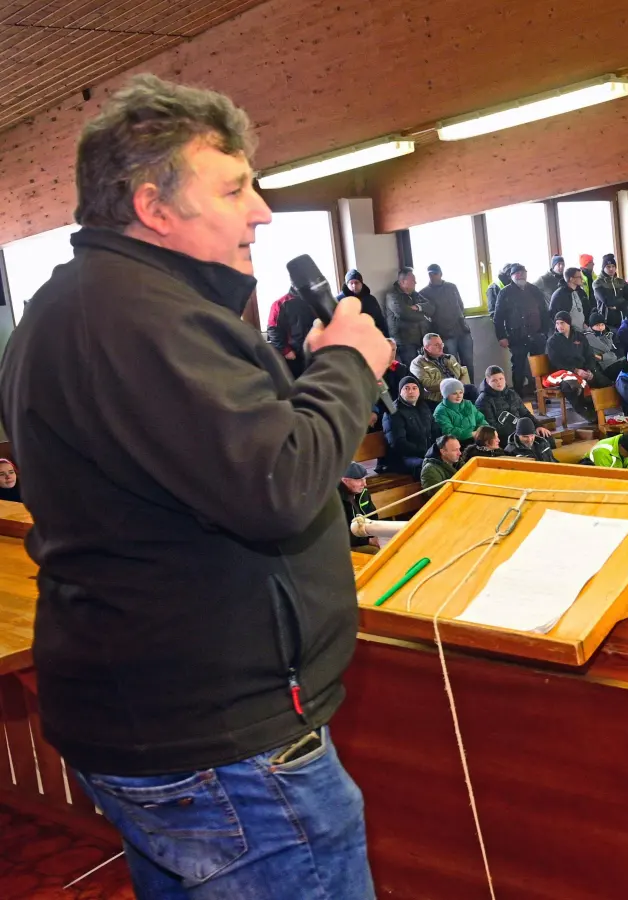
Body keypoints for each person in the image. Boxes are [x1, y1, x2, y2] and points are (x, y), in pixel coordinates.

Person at [0, 73, 401, 897]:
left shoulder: (76, 305)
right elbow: (277, 482)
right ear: (154, 207)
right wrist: (346, 365)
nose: (259, 210)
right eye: (234, 188)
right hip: (226, 743)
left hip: (157, 714)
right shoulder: (145, 319)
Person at [493, 263, 548, 395]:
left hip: (537, 335)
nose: (520, 275)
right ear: (511, 276)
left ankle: (541, 394)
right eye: (517, 273)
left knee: (539, 367)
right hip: (516, 336)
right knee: (518, 366)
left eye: (523, 273)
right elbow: (498, 316)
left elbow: (544, 312)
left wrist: (544, 332)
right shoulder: (505, 292)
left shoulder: (534, 290)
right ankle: (518, 395)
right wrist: (501, 336)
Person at [420, 263, 472, 377]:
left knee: (468, 363)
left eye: (435, 273)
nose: (433, 276)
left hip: (462, 330)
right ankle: (457, 392)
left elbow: (461, 305)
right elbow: (427, 314)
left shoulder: (451, 287)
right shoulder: (424, 293)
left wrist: (461, 320)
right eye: (430, 274)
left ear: (441, 274)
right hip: (445, 334)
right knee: (451, 365)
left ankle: (471, 390)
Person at [385, 265, 433, 367]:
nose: (415, 283)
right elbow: (404, 314)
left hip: (419, 338)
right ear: (403, 282)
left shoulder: (414, 294)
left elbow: (431, 307)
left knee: (424, 369)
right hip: (405, 341)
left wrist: (418, 307)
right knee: (412, 370)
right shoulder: (393, 296)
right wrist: (424, 316)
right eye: (413, 280)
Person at [410, 332, 469, 405]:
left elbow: (463, 372)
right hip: (438, 397)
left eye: (442, 344)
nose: (441, 347)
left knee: (471, 390)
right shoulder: (418, 363)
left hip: (458, 392)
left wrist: (460, 386)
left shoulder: (450, 357)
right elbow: (426, 384)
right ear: (427, 347)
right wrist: (451, 384)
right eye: (437, 345)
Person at [475, 365, 525, 441]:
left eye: (501, 379)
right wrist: (518, 429)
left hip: (521, 432)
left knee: (546, 437)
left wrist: (538, 426)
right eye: (494, 380)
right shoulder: (483, 400)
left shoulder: (512, 393)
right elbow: (491, 428)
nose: (499, 382)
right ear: (488, 381)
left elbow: (525, 413)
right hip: (502, 438)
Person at [434, 377, 489, 441]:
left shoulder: (468, 404)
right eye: (454, 393)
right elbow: (449, 431)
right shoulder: (441, 411)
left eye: (461, 392)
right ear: (446, 395)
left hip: (477, 439)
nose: (459, 396)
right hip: (457, 444)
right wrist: (473, 434)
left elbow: (480, 419)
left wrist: (486, 431)